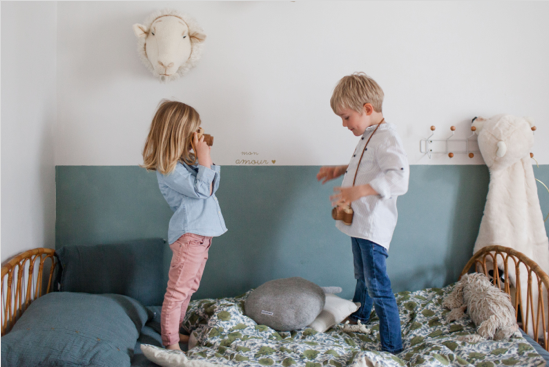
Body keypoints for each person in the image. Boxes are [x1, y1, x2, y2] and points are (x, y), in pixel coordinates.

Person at [317, 72, 409, 354]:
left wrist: (361, 190)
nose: (344, 124)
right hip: (360, 223)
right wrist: (342, 170)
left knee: (377, 283)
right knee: (362, 275)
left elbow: (399, 178)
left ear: (367, 109)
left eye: (346, 117)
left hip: (373, 225)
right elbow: (368, 165)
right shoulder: (371, 134)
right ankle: (359, 315)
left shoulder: (387, 137)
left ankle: (392, 346)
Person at [142, 100, 227, 351]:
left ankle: (175, 333)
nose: (198, 135)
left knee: (189, 288)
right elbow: (202, 190)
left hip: (201, 236)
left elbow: (210, 188)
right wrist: (204, 158)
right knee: (178, 291)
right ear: (179, 133)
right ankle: (170, 343)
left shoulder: (187, 164)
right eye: (194, 131)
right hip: (190, 236)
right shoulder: (168, 167)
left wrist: (203, 159)